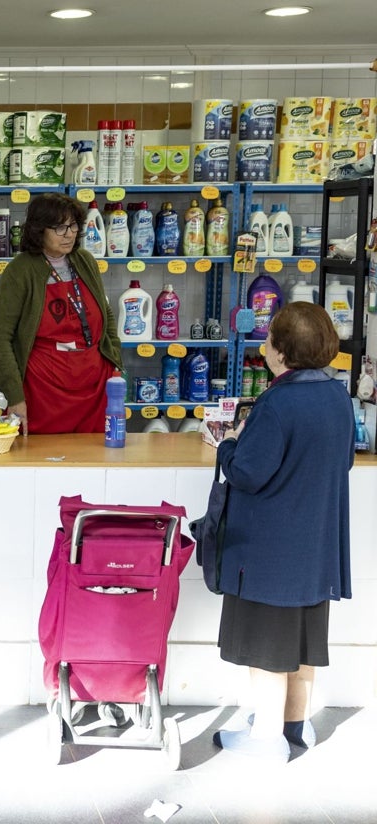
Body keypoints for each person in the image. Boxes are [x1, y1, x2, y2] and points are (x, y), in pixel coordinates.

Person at [211, 302, 353, 763]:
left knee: (268, 644)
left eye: (270, 337)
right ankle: (297, 725)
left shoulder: (277, 402)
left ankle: (266, 739)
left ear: (280, 351)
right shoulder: (336, 396)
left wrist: (228, 443)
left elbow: (248, 474)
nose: (264, 343)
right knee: (304, 639)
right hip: (316, 543)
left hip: (271, 548)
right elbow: (343, 460)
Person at [0, 193, 123, 435]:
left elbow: (106, 314)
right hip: (43, 391)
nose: (69, 233)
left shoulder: (85, 261)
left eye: (73, 225)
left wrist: (115, 362)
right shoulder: (20, 271)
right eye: (60, 227)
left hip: (93, 386)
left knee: (94, 459)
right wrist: (15, 396)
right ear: (39, 230)